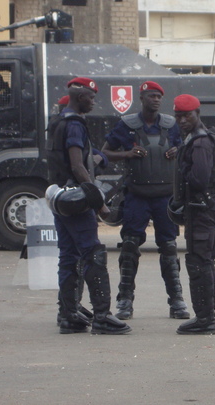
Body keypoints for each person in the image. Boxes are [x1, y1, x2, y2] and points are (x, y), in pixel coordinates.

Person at [46, 76, 131, 336]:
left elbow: (76, 159)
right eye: (92, 98)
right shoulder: (74, 124)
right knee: (93, 254)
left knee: (68, 256)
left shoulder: (57, 121)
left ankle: (69, 314)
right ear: (81, 97)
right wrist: (99, 204)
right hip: (77, 200)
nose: (94, 103)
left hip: (60, 198)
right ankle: (103, 316)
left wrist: (97, 158)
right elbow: (77, 165)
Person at [101, 81, 189, 321]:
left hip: (164, 197)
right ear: (142, 98)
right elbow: (104, 152)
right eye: (152, 95)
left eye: (159, 96)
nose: (156, 99)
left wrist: (177, 152)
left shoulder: (170, 125)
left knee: (169, 247)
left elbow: (186, 150)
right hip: (137, 195)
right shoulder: (128, 125)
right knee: (129, 246)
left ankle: (177, 300)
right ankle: (124, 301)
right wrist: (126, 154)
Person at [171, 94, 215, 335]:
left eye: (187, 116)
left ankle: (205, 319)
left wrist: (183, 171)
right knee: (204, 262)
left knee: (199, 263)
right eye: (179, 116)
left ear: (197, 114)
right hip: (206, 208)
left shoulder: (200, 142)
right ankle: (206, 317)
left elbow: (199, 179)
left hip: (202, 210)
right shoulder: (197, 139)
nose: (182, 121)